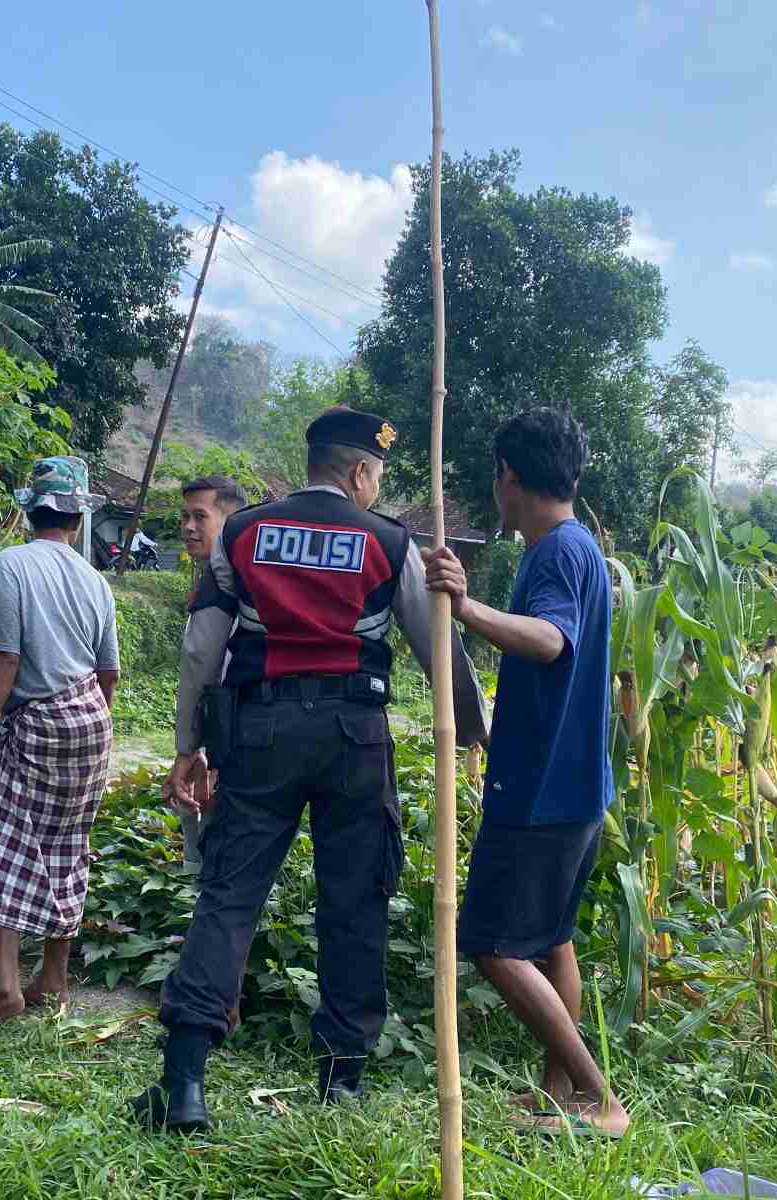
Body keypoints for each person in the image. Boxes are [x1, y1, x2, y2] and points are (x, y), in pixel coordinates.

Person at [131, 408, 488, 1132]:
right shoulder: (391, 540)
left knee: (228, 895)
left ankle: (185, 1083)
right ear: (359, 472)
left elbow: (203, 649)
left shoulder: (243, 531)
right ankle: (341, 1084)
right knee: (354, 901)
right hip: (354, 736)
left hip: (258, 732)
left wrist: (187, 745)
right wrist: (476, 729)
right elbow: (435, 649)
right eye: (377, 475)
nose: (374, 485)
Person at [422, 407, 628, 1138]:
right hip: (573, 788)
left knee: (492, 942)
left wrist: (463, 603)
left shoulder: (556, 553)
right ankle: (557, 1097)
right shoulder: (581, 550)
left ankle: (599, 1098)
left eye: (496, 476)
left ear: (510, 476)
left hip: (540, 790)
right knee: (550, 941)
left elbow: (548, 640)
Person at [0, 456, 121, 1020]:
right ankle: (54, 978)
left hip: (38, 721)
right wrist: (89, 729)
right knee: (69, 843)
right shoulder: (95, 580)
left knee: (11, 838)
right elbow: (109, 675)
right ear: (78, 518)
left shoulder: (11, 565)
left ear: (32, 511)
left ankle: (5, 986)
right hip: (90, 722)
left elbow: (2, 658)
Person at [164, 475, 248, 869]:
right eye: (185, 517)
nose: (188, 527)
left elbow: (202, 665)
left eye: (200, 516)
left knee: (221, 859)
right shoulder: (250, 575)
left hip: (233, 737)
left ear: (231, 522)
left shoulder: (223, 581)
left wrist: (188, 748)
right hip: (249, 731)